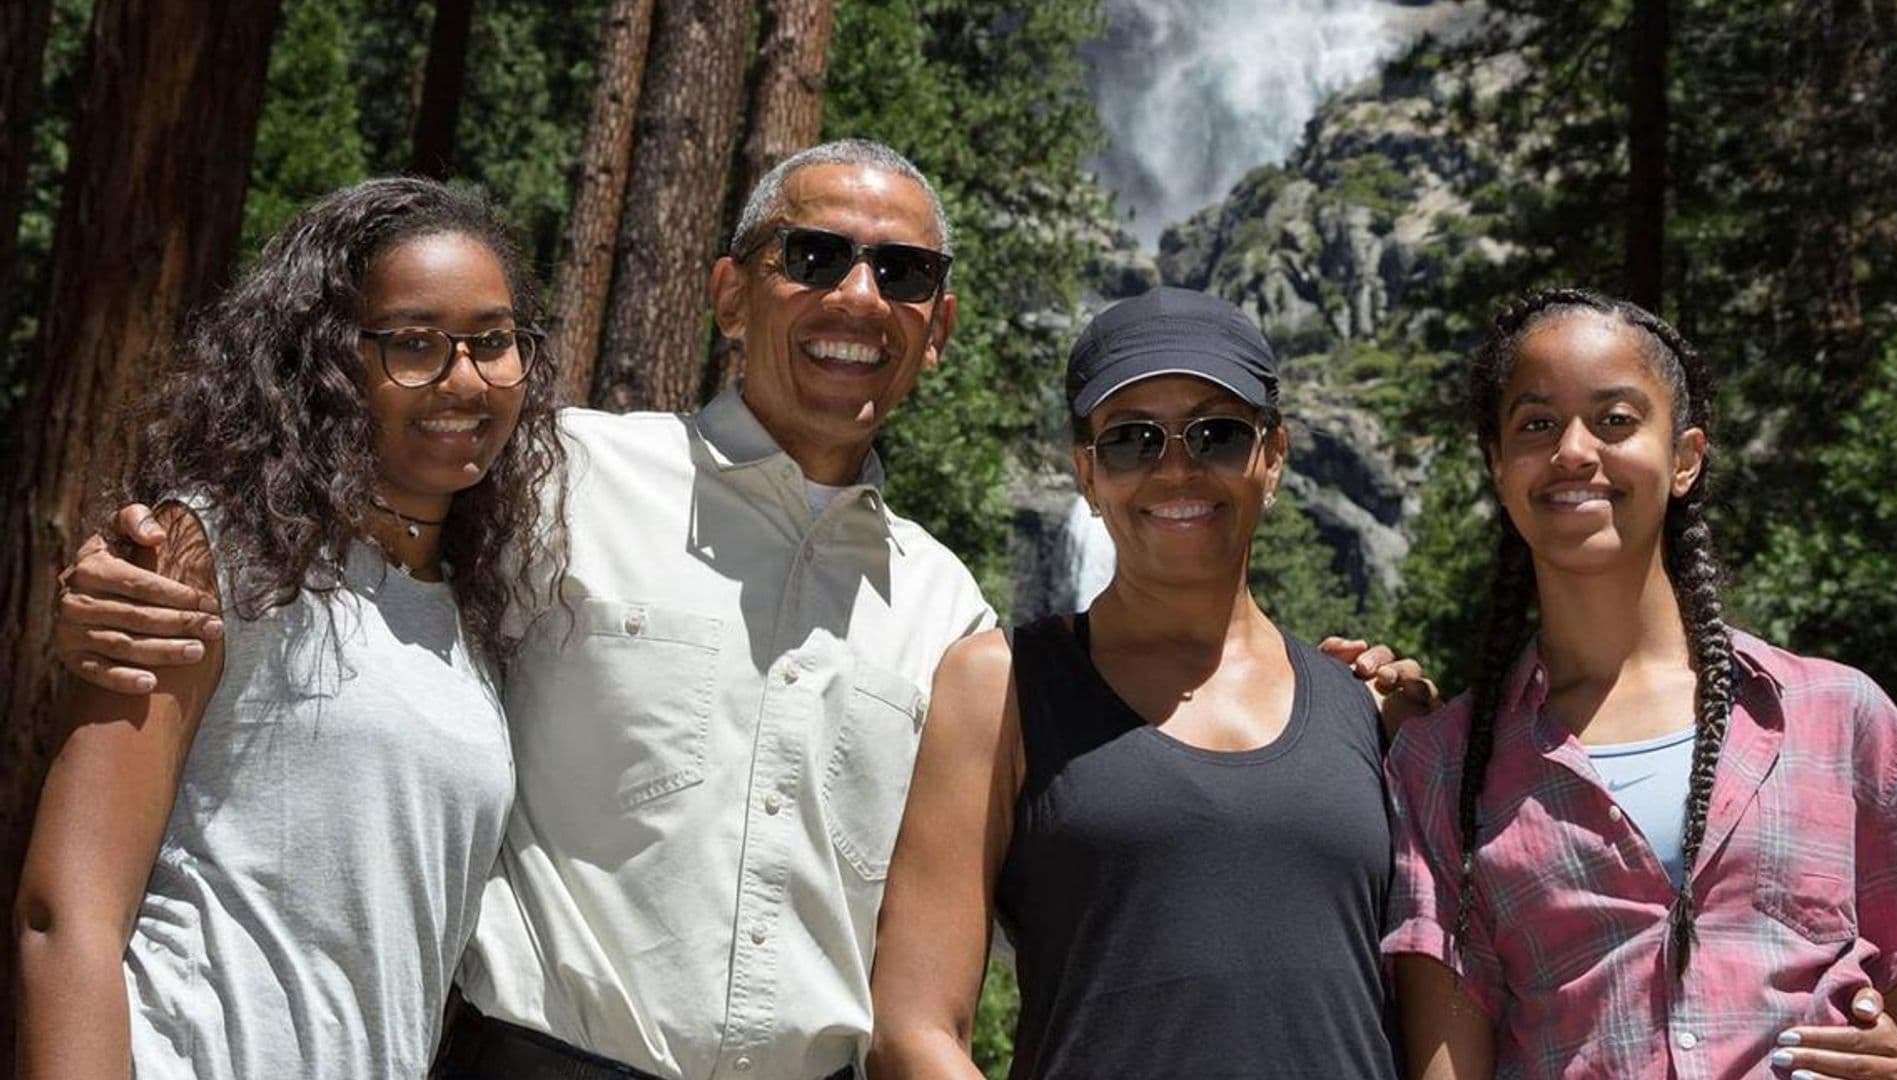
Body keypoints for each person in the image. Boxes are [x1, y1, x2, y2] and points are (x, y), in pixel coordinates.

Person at [44, 144, 1426, 1080]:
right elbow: (328, 544)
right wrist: (129, 573)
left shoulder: (954, 613)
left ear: (936, 329)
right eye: (811, 256)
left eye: (902, 275)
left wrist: (1339, 701)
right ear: (728, 289)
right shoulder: (551, 475)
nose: (855, 295)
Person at [13, 178, 566, 1078]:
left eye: (494, 342)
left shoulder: (477, 623)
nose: (465, 378)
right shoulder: (214, 554)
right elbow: (65, 913)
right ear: (329, 362)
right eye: (414, 344)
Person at [867, 287, 1411, 1079]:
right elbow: (912, 1029)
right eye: (1132, 441)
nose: (1176, 469)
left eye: (1216, 435)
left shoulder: (1365, 706)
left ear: (1274, 454)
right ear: (1087, 473)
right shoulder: (1001, 685)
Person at [1386, 289, 1897, 1079]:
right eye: (1536, 424)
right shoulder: (1442, 766)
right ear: (1499, 468)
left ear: (1685, 457)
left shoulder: (1840, 719)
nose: (1573, 451)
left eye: (1615, 420)